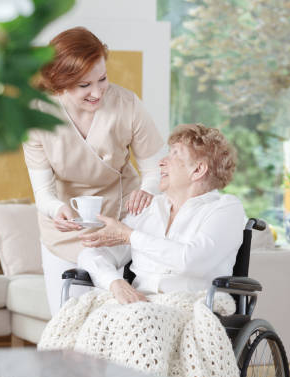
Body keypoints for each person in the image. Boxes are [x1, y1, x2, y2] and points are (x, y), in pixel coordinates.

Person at [23, 27, 166, 315]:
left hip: (120, 225)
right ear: (59, 84)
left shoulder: (127, 105)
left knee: (117, 318)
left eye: (102, 79)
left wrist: (147, 191)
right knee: (67, 318)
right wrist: (56, 209)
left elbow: (157, 169)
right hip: (63, 231)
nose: (97, 92)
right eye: (84, 86)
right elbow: (43, 192)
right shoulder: (37, 118)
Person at [75, 124, 246, 304]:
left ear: (197, 170)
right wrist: (116, 283)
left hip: (190, 305)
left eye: (175, 154)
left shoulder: (225, 208)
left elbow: (191, 261)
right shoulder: (149, 207)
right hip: (139, 305)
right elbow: (91, 255)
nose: (161, 161)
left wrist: (130, 236)